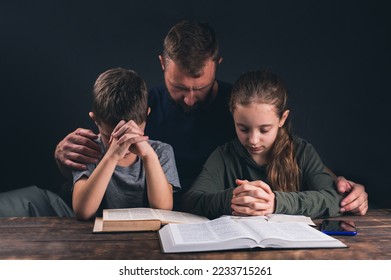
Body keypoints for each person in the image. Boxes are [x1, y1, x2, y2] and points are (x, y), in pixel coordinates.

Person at [54, 20, 368, 215]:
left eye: (199, 88)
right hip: (169, 210)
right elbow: (98, 160)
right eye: (179, 88)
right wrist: (62, 157)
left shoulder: (242, 104)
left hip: (224, 216)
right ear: (163, 64)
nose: (190, 98)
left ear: (216, 63)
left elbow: (289, 149)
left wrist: (336, 182)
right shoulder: (138, 109)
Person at [182, 70, 344, 219]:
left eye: (264, 130)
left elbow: (332, 198)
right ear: (233, 116)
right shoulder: (224, 156)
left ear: (282, 119)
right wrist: (233, 199)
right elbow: (191, 201)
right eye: (243, 128)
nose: (253, 140)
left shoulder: (301, 151)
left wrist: (275, 203)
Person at [72, 68, 179, 220]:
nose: (125, 146)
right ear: (95, 120)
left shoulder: (161, 151)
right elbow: (83, 211)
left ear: (147, 114)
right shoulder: (88, 150)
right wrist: (111, 156)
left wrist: (149, 156)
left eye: (133, 135)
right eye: (112, 137)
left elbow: (163, 209)